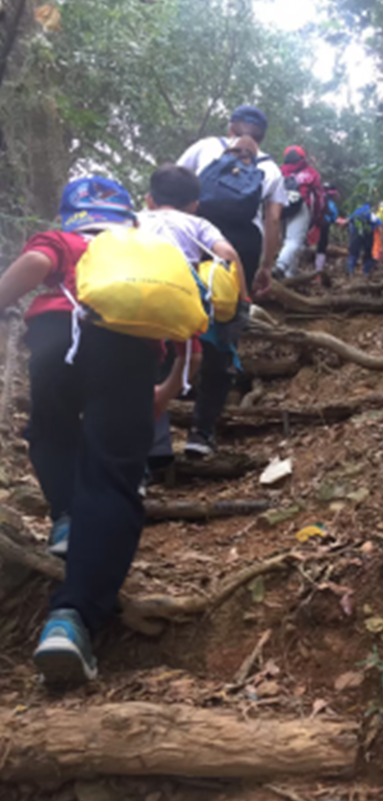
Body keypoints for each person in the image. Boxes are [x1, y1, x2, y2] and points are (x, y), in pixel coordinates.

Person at [0, 176, 175, 684]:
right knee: (113, 475)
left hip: (57, 337)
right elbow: (188, 321)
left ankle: (67, 517)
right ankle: (70, 620)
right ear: (128, 216)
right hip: (130, 351)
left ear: (70, 214)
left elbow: (33, 267)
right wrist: (167, 388)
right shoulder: (145, 253)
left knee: (48, 429)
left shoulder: (67, 240)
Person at [177, 104, 288, 457]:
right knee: (225, 327)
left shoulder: (204, 147)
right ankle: (202, 431)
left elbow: (172, 185)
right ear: (263, 134)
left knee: (175, 311)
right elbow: (272, 221)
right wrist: (266, 267)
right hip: (242, 246)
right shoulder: (270, 167)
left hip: (193, 238)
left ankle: (157, 423)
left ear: (231, 126)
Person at [137, 163, 246, 469]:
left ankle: (154, 445)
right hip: (184, 299)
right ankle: (201, 434)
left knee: (147, 365)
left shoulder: (133, 220)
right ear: (195, 205)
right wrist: (242, 299)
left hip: (138, 300)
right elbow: (229, 256)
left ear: (149, 199)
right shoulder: (198, 224)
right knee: (217, 360)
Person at [275, 145, 325, 279]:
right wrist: (318, 216)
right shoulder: (311, 173)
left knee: (287, 242)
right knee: (295, 241)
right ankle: (280, 267)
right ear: (302, 157)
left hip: (280, 207)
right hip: (301, 206)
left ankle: (290, 274)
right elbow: (319, 196)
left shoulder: (279, 171)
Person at [346, 203, 382, 276]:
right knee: (368, 254)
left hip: (355, 234)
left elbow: (347, 221)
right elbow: (379, 223)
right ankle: (366, 272)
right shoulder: (370, 214)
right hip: (368, 234)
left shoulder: (354, 212)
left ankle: (350, 271)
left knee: (353, 253)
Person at [314, 183, 340, 274]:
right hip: (324, 225)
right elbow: (334, 217)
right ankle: (318, 270)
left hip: (312, 224)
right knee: (322, 246)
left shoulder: (315, 198)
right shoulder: (331, 204)